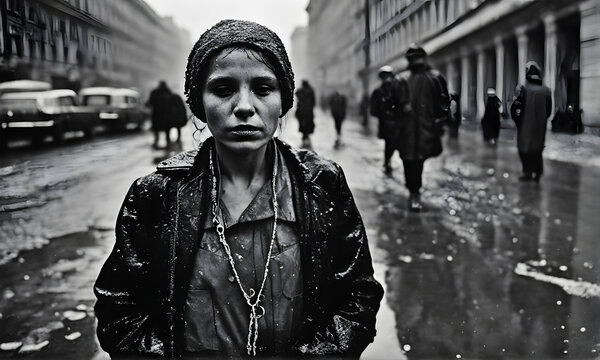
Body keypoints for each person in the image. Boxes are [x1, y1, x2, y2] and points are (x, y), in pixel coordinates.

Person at [94, 19, 383, 359]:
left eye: (262, 89)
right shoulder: (157, 194)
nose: (244, 106)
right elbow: (119, 310)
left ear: (283, 101)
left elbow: (357, 295)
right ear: (199, 102)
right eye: (223, 89)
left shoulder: (320, 184)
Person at [396, 44, 449, 212]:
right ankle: (412, 189)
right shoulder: (401, 79)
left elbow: (443, 104)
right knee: (408, 160)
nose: (417, 60)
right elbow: (392, 106)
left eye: (419, 57)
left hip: (425, 129)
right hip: (406, 130)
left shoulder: (434, 78)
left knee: (417, 161)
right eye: (414, 58)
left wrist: (439, 123)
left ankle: (415, 192)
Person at [511, 61, 552, 182]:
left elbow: (516, 107)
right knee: (537, 150)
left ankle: (527, 172)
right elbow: (549, 111)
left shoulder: (524, 90)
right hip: (540, 127)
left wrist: (517, 120)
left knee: (525, 149)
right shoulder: (547, 91)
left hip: (525, 127)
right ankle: (537, 173)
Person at [370, 65, 403, 175]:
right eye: (385, 77)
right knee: (389, 143)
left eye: (389, 76)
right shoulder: (378, 92)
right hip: (385, 123)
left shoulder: (398, 90)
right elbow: (373, 110)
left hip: (398, 122)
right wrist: (383, 114)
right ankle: (387, 161)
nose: (387, 79)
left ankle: (389, 161)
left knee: (397, 143)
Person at [147, 80, 174, 148]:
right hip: (166, 113)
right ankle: (167, 139)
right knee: (167, 127)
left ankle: (157, 139)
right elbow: (172, 102)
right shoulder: (168, 92)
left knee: (156, 127)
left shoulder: (155, 92)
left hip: (157, 113)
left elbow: (150, 102)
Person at [295, 80, 316, 148]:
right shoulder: (310, 91)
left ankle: (305, 137)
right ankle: (306, 137)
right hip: (308, 111)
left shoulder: (301, 91)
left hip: (302, 110)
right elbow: (313, 101)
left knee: (303, 123)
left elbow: (297, 94)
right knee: (308, 123)